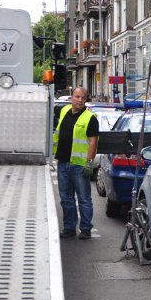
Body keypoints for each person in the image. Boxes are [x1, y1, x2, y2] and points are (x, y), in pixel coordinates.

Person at [53, 86, 99, 240]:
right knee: (66, 198)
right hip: (63, 162)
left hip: (79, 165)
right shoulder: (64, 110)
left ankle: (85, 229)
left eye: (83, 98)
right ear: (71, 97)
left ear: (86, 100)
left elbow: (93, 142)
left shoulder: (90, 118)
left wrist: (89, 163)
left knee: (84, 198)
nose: (80, 100)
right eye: (77, 97)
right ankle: (69, 228)